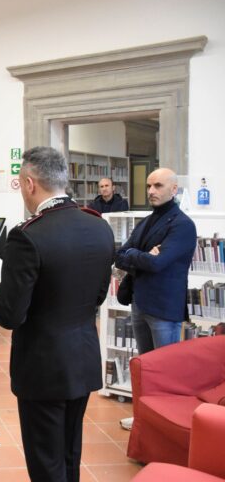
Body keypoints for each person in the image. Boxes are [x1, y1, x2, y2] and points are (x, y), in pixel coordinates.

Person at [0, 146, 114, 482]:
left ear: (29, 183)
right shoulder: (99, 226)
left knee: (45, 463)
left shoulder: (27, 235)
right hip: (82, 358)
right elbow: (98, 296)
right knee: (69, 454)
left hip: (43, 366)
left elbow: (10, 314)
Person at [114, 168, 197, 430]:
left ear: (174, 189)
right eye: (149, 186)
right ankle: (144, 418)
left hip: (164, 308)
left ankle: (165, 425)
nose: (151, 191)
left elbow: (158, 263)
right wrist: (142, 255)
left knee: (166, 370)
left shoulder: (182, 225)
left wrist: (136, 255)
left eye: (158, 186)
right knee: (146, 367)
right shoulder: (147, 221)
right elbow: (119, 255)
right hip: (140, 301)